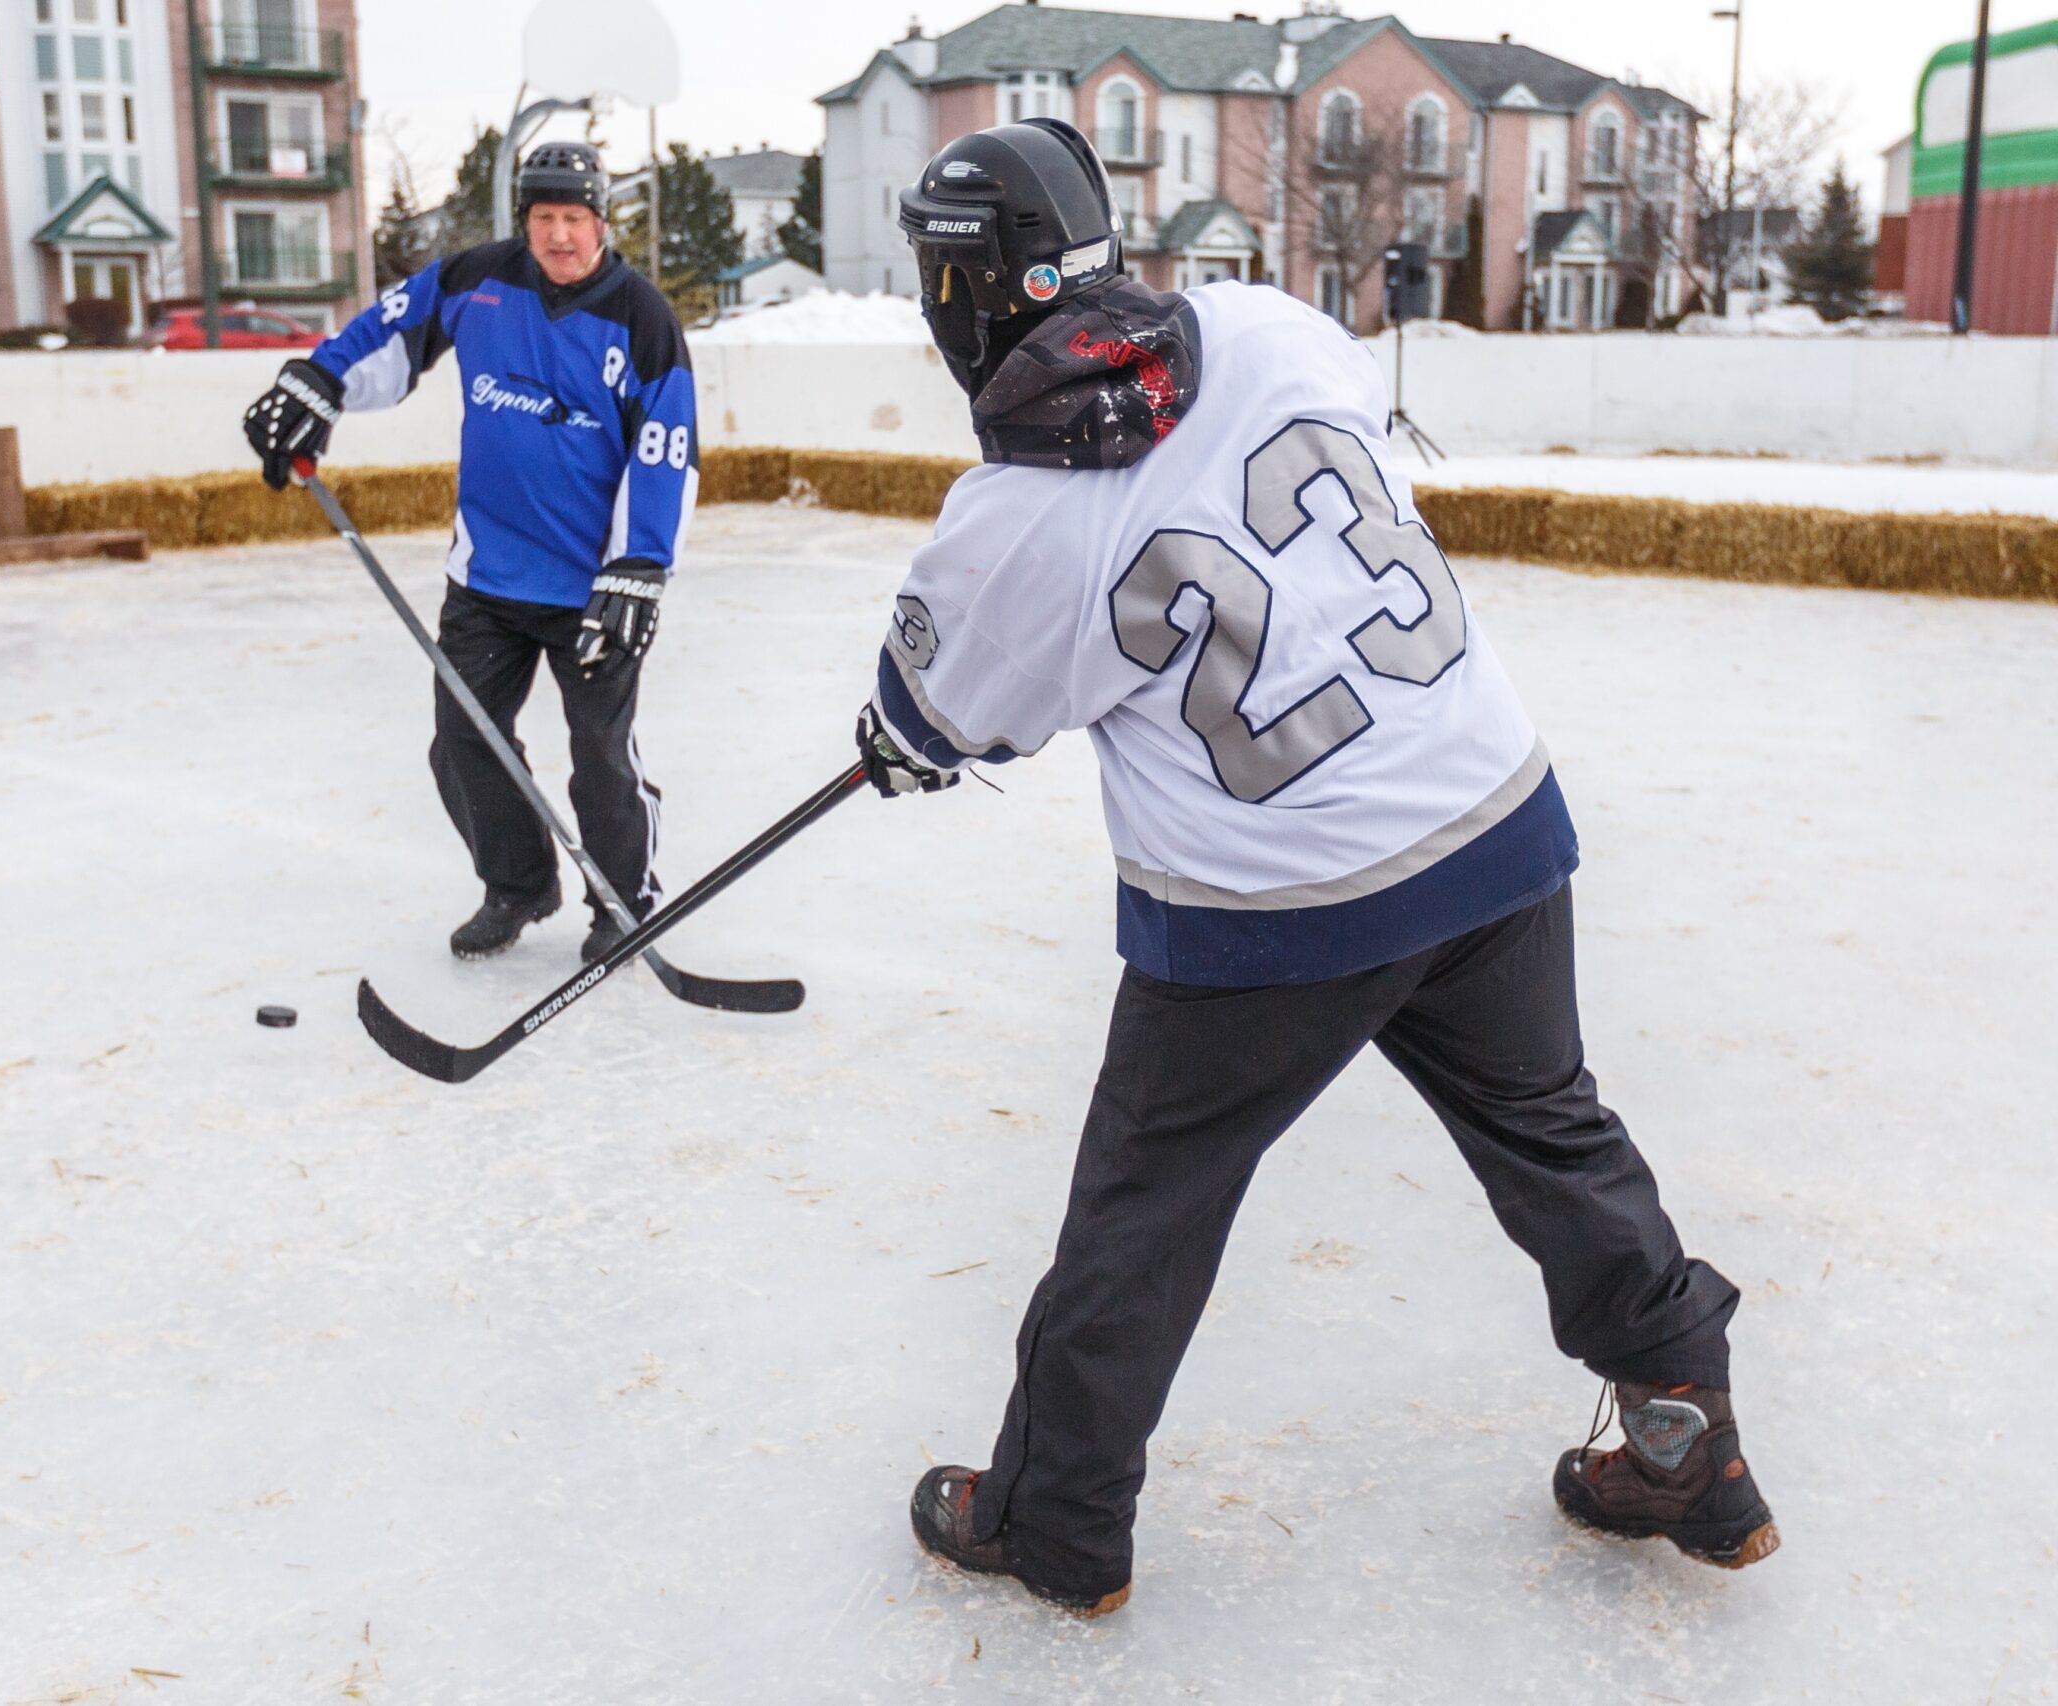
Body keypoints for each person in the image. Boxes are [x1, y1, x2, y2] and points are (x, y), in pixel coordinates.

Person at [855, 119, 1778, 1619]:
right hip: (1487, 812)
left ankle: (1057, 1521)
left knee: (1144, 1208)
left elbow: (944, 717)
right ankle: (1687, 1435)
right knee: (1554, 1137)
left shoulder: (1016, 518)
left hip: (1271, 907)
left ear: (963, 291)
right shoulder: (1262, 324)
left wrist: (901, 736)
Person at [243, 141, 697, 961]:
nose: (559, 236)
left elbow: (666, 450)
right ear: (523, 220)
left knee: (600, 755)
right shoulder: (480, 280)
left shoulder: (641, 317)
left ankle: (625, 901)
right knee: (463, 740)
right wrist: (317, 382)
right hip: (486, 577)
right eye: (543, 218)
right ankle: (518, 886)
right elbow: (391, 328)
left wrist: (642, 565)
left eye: (574, 219)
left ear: (601, 221)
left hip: (590, 591)